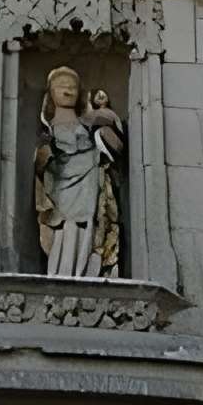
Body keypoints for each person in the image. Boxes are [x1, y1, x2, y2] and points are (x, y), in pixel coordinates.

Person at [34, 65, 123, 277]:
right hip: (61, 186)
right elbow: (41, 163)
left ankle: (85, 272)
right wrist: (43, 156)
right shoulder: (50, 130)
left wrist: (106, 124)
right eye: (61, 86)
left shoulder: (88, 122)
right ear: (50, 93)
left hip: (88, 180)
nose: (67, 91)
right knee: (64, 227)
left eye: (72, 86)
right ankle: (60, 272)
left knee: (88, 225)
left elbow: (116, 144)